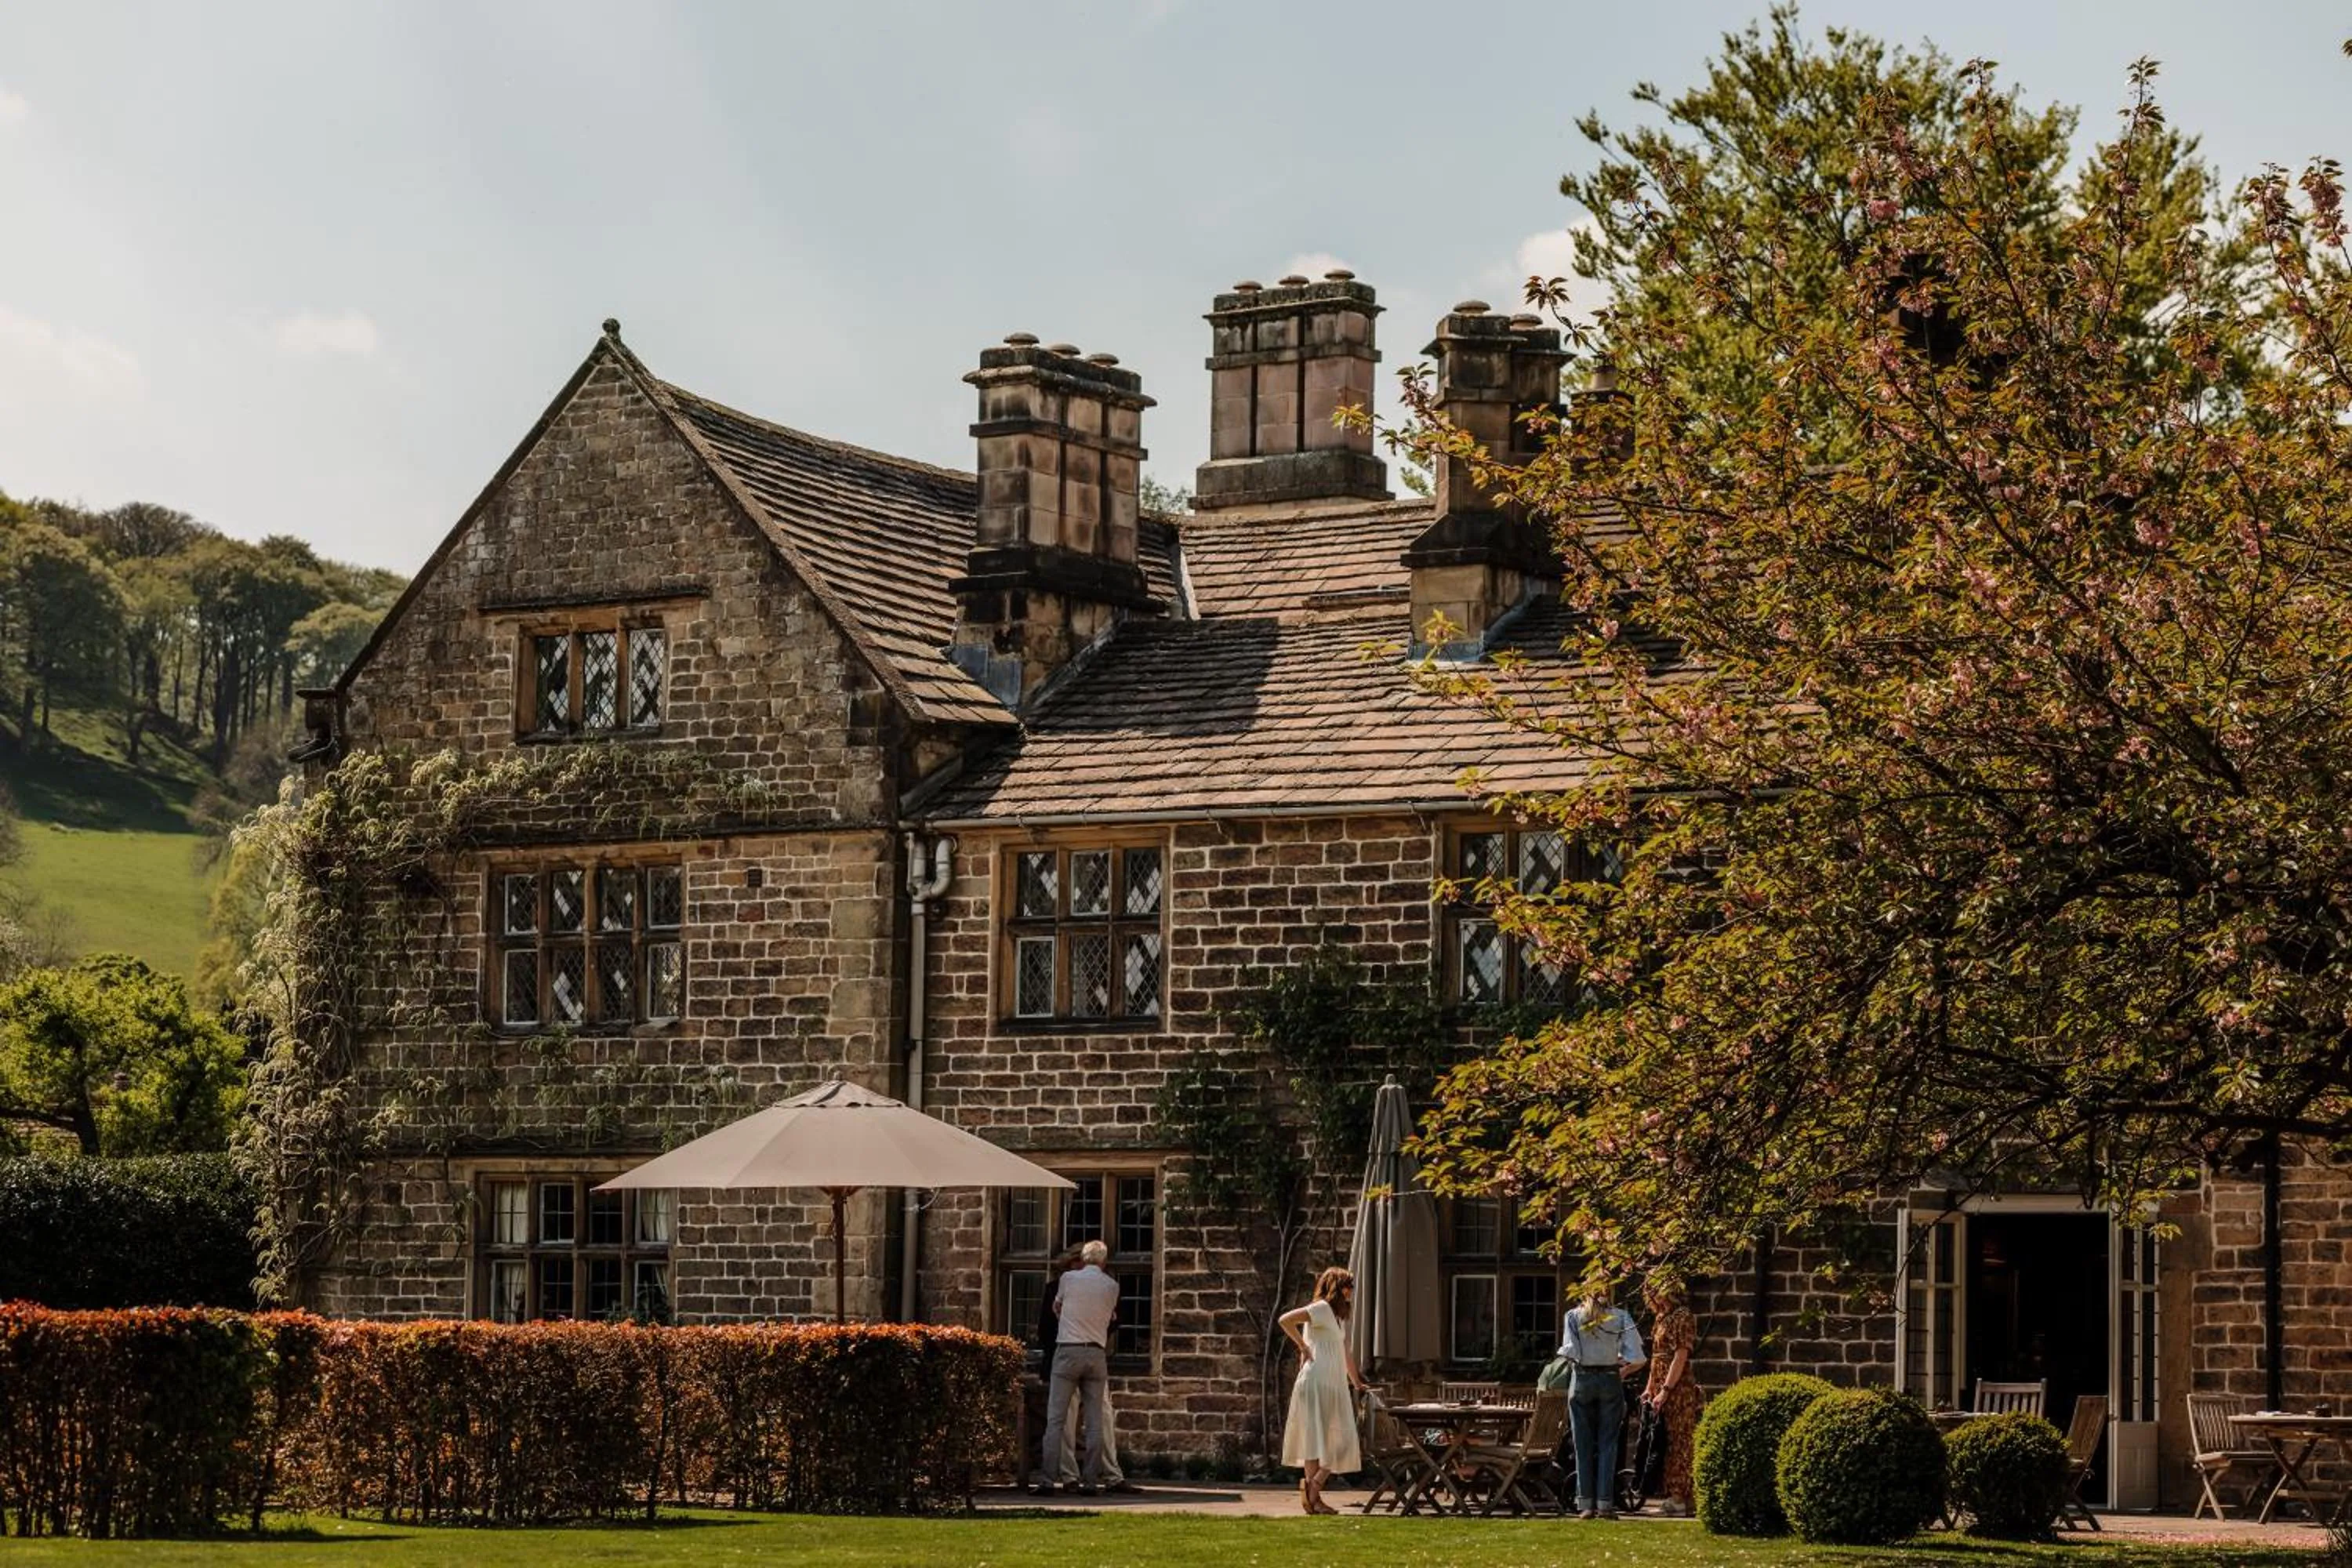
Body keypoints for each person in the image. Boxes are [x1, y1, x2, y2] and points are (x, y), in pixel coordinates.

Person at [1035, 1246, 1135, 1494]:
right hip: (1094, 1351)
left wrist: (1073, 1325)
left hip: (1069, 1351)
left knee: (1062, 1420)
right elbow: (1110, 1318)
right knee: (1087, 1421)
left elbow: (1056, 1313)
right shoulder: (1109, 1285)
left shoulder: (1069, 1282)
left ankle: (1051, 1480)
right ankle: (1080, 1479)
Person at [1279, 1266, 1365, 1515]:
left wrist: (1356, 1381)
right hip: (1316, 1380)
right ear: (1339, 1288)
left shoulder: (1338, 1317)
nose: (1351, 1292)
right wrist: (1303, 1347)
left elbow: (1345, 1352)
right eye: (1349, 1286)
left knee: (1338, 1439)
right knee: (1316, 1440)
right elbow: (1285, 1320)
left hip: (1333, 1383)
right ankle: (1314, 1497)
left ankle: (1312, 1493)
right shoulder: (1320, 1308)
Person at [1559, 1284, 1647, 1519]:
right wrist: (1624, 1371)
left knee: (1582, 1443)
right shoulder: (1620, 1317)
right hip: (1610, 1377)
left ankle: (1586, 1504)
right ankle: (1605, 1504)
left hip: (1582, 1379)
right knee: (1609, 1443)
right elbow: (1638, 1358)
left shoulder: (1573, 1316)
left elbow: (1570, 1353)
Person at [1641, 1272, 1703, 1517]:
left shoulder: (1683, 1316)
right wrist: (1649, 1388)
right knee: (1663, 1440)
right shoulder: (1661, 1317)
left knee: (1680, 1441)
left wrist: (1666, 1389)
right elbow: (1656, 1357)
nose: (1652, 1294)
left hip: (1678, 1388)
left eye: (1656, 1288)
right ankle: (1676, 1496)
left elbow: (1680, 1355)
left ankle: (1680, 1496)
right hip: (1660, 1384)